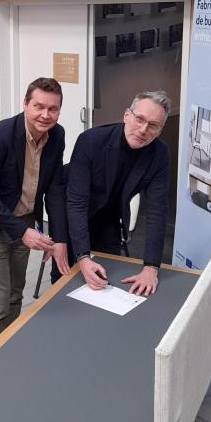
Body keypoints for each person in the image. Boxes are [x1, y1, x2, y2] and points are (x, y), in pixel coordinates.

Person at [0, 77, 70, 343]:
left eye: (53, 109)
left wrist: (60, 238)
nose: (45, 114)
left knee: (16, 294)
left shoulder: (57, 135)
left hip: (26, 221)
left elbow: (55, 188)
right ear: (25, 104)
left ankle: (9, 348)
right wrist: (22, 231)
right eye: (39, 106)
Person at [65, 90, 170, 296]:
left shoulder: (159, 154)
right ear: (126, 115)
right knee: (67, 282)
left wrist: (151, 267)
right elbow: (76, 202)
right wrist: (83, 257)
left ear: (160, 130)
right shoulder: (91, 141)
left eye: (152, 125)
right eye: (139, 119)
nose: (142, 129)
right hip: (72, 214)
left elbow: (157, 211)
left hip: (110, 216)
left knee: (108, 281)